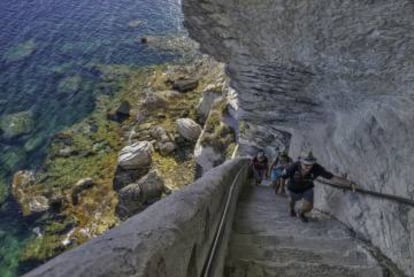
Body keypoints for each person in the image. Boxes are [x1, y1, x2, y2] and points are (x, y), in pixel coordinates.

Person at [281, 151, 355, 223]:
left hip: (307, 188)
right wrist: (281, 189)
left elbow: (332, 177)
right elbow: (283, 177)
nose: (307, 167)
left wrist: (349, 183)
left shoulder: (317, 168)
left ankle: (301, 213)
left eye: (310, 164)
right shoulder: (293, 166)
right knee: (292, 200)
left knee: (309, 206)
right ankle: (291, 209)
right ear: (301, 162)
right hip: (293, 188)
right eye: (305, 164)